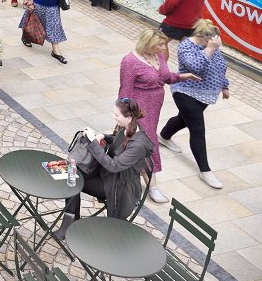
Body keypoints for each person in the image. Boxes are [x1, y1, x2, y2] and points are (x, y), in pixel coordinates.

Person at [119, 30, 201, 203]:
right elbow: (125, 92)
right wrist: (126, 115)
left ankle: (129, 171)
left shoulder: (159, 55)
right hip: (139, 108)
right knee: (148, 142)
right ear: (148, 44)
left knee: (140, 141)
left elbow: (165, 77)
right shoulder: (130, 61)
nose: (164, 48)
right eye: (160, 44)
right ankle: (152, 186)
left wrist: (181, 77)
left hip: (155, 106)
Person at [58, 98, 154, 237]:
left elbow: (113, 165)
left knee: (74, 180)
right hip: (108, 176)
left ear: (129, 117)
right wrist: (103, 136)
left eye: (117, 115)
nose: (114, 117)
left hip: (119, 188)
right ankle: (70, 222)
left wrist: (92, 142)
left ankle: (69, 225)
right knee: (72, 172)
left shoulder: (138, 146)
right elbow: (117, 140)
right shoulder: (128, 128)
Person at [159, 19, 230, 189]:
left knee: (183, 119)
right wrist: (210, 49)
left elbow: (219, 66)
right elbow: (194, 67)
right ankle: (205, 170)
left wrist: (225, 85)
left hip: (204, 94)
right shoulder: (186, 47)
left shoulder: (211, 47)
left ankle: (163, 136)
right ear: (203, 38)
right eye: (212, 42)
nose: (215, 45)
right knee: (197, 128)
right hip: (185, 91)